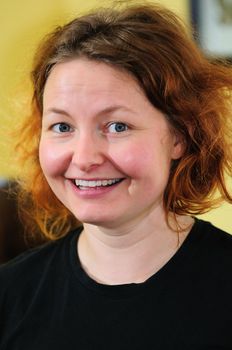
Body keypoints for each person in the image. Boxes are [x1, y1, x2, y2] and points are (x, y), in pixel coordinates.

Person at [1, 2, 232, 349]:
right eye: (62, 126)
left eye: (117, 126)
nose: (84, 158)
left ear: (180, 137)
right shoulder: (10, 294)